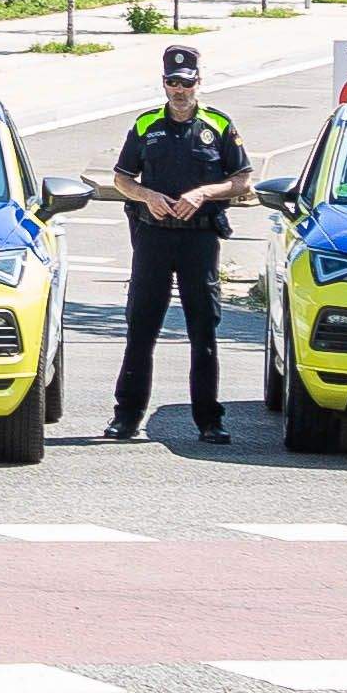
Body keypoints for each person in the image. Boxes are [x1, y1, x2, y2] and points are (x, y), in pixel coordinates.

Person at [107, 44, 247, 446]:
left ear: (198, 82)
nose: (179, 90)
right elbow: (121, 179)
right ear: (164, 83)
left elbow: (243, 181)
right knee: (141, 327)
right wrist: (145, 195)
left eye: (186, 83)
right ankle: (127, 417)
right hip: (153, 236)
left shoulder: (219, 125)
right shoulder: (146, 124)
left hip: (199, 238)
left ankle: (209, 420)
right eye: (173, 82)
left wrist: (204, 193)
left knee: (203, 329)